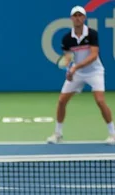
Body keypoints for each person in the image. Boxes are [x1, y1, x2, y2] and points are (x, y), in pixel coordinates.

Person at [47, 6, 115, 144]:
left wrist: (75, 67)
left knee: (100, 101)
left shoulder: (92, 34)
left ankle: (113, 133)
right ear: (72, 18)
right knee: (61, 101)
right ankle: (58, 134)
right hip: (77, 73)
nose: (77, 18)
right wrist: (69, 70)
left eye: (80, 15)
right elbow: (67, 58)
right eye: (75, 16)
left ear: (84, 18)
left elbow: (94, 55)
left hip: (95, 72)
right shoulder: (67, 38)